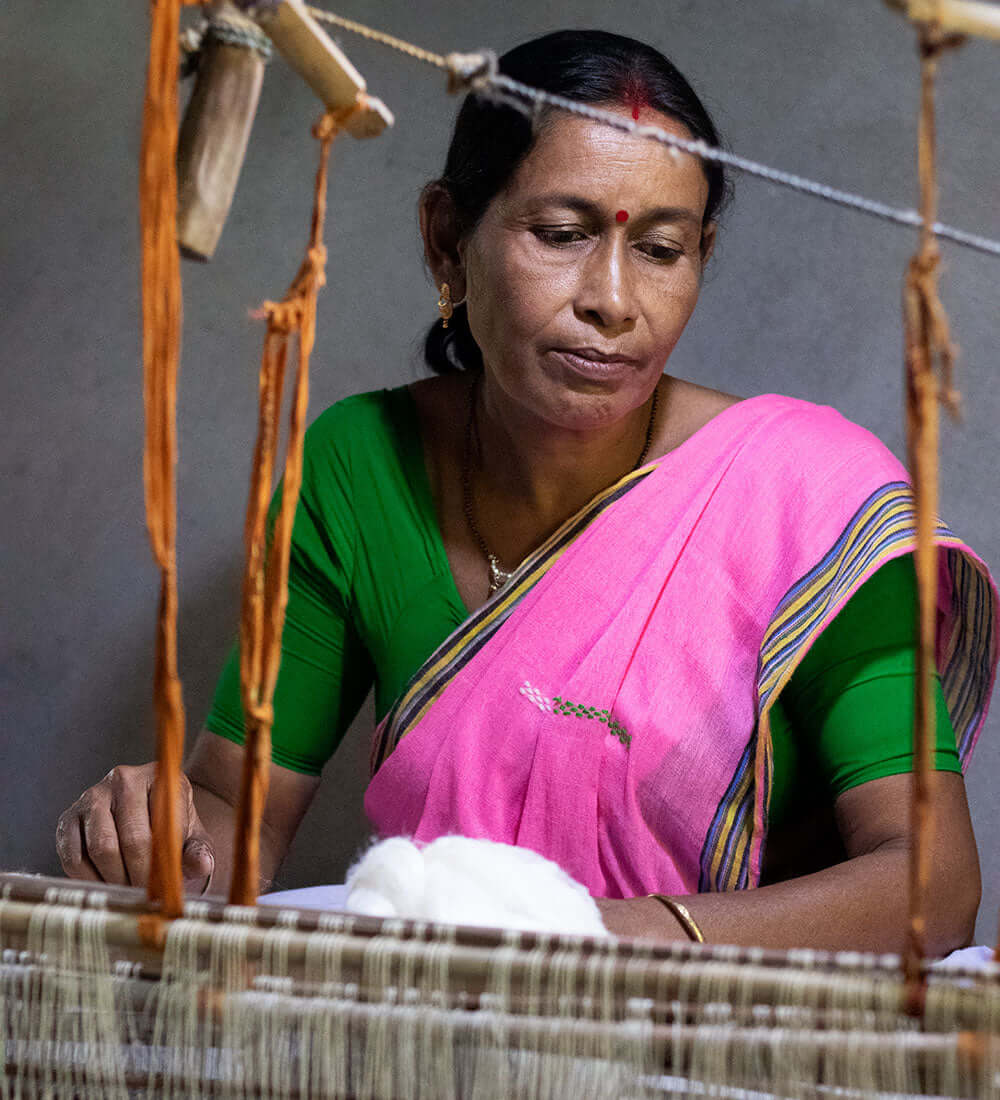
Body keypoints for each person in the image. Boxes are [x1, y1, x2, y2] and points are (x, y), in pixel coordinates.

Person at [56, 30, 995, 953]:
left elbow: (932, 883)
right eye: (561, 235)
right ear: (446, 239)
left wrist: (581, 946)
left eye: (663, 252)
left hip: (717, 1049)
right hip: (429, 1033)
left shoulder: (809, 501)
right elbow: (237, 815)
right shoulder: (356, 467)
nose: (613, 301)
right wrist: (150, 832)